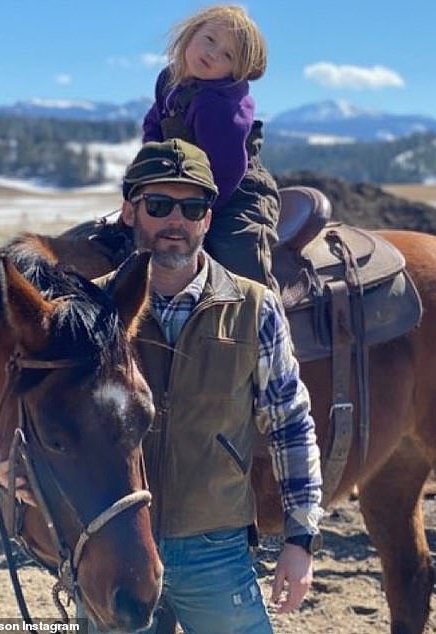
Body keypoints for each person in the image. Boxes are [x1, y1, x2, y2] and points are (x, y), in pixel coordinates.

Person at [105, 137, 322, 632]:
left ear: (207, 218)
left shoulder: (256, 307)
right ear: (129, 211)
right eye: (158, 205)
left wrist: (300, 538)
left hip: (215, 547)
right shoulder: (94, 312)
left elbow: (289, 423)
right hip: (117, 550)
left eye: (193, 206)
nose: (174, 221)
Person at [142, 4, 281, 293]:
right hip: (184, 187)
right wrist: (146, 183)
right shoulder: (170, 82)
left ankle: (263, 318)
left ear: (235, 70)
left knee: (237, 252)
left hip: (237, 193)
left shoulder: (220, 105)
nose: (213, 53)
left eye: (228, 55)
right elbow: (154, 126)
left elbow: (228, 169)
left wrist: (200, 211)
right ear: (191, 34)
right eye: (209, 39)